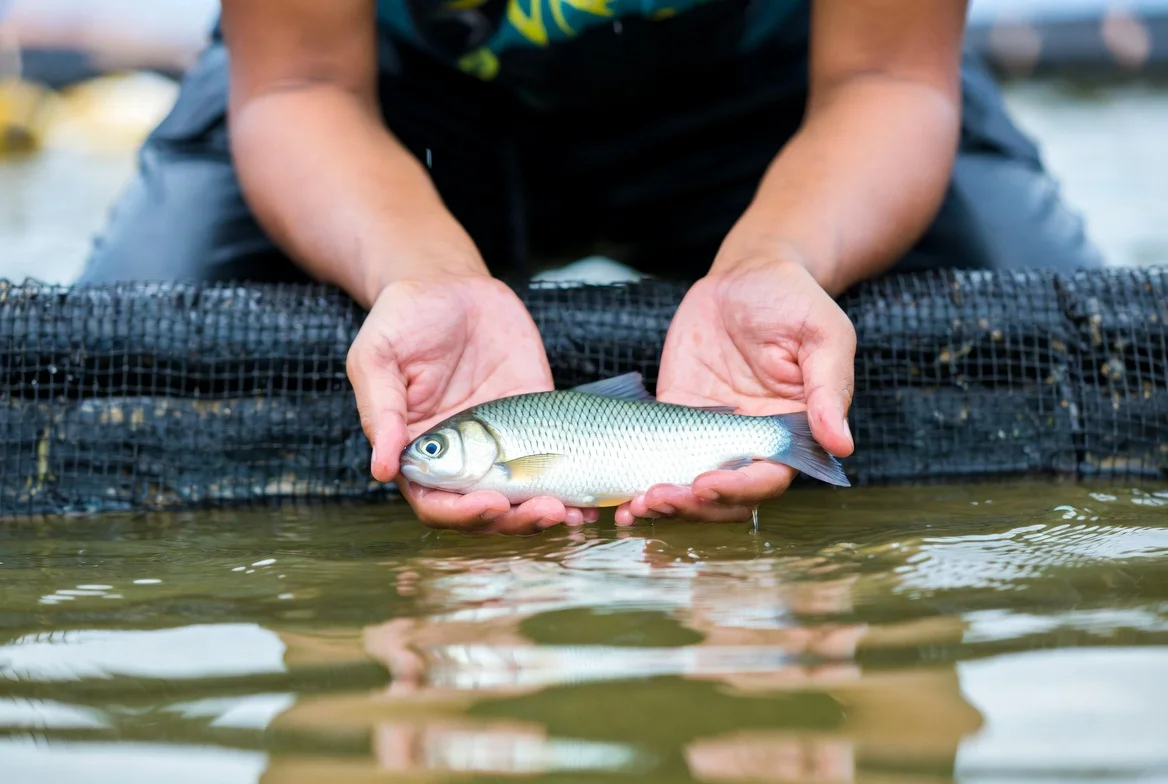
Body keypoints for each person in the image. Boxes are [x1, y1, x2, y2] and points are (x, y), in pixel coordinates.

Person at [78, 0, 1103, 535]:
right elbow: (296, 82)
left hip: (794, 92)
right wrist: (422, 270)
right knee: (100, 380)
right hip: (380, 102)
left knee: (1096, 366)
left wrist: (777, 256)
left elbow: (886, 74)